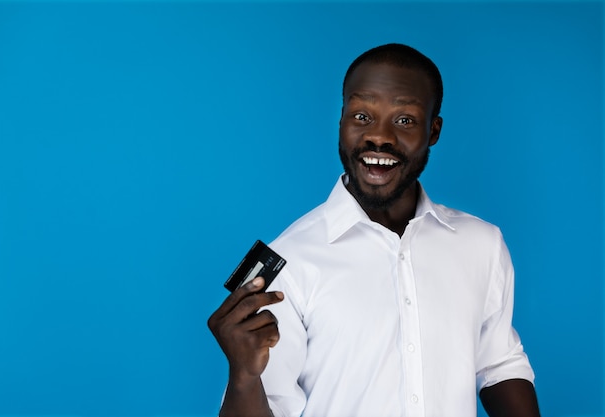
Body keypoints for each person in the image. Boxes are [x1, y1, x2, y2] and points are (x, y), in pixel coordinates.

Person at [208, 43, 540, 417]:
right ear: (341, 120)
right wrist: (243, 378)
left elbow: (499, 363)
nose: (378, 136)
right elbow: (270, 403)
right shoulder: (290, 262)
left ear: (433, 131)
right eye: (362, 116)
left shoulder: (482, 244)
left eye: (404, 120)